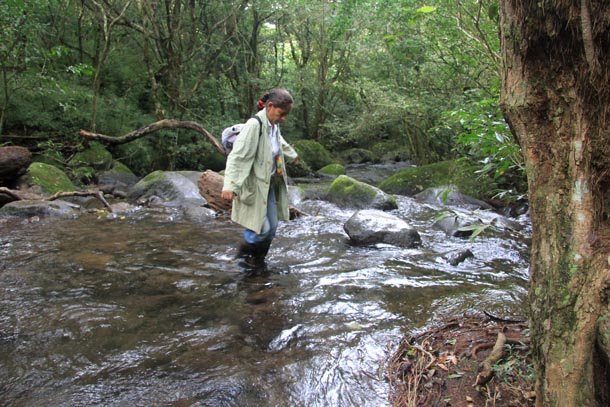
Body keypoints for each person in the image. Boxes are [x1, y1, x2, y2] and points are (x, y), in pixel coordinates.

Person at [221, 88, 299, 269]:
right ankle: (242, 254)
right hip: (254, 185)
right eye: (282, 114)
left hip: (270, 183)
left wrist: (292, 154)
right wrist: (230, 185)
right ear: (270, 106)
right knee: (261, 229)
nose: (284, 118)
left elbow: (280, 142)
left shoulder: (273, 125)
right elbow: (238, 156)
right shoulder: (254, 125)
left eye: (286, 115)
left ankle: (258, 261)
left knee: (272, 229)